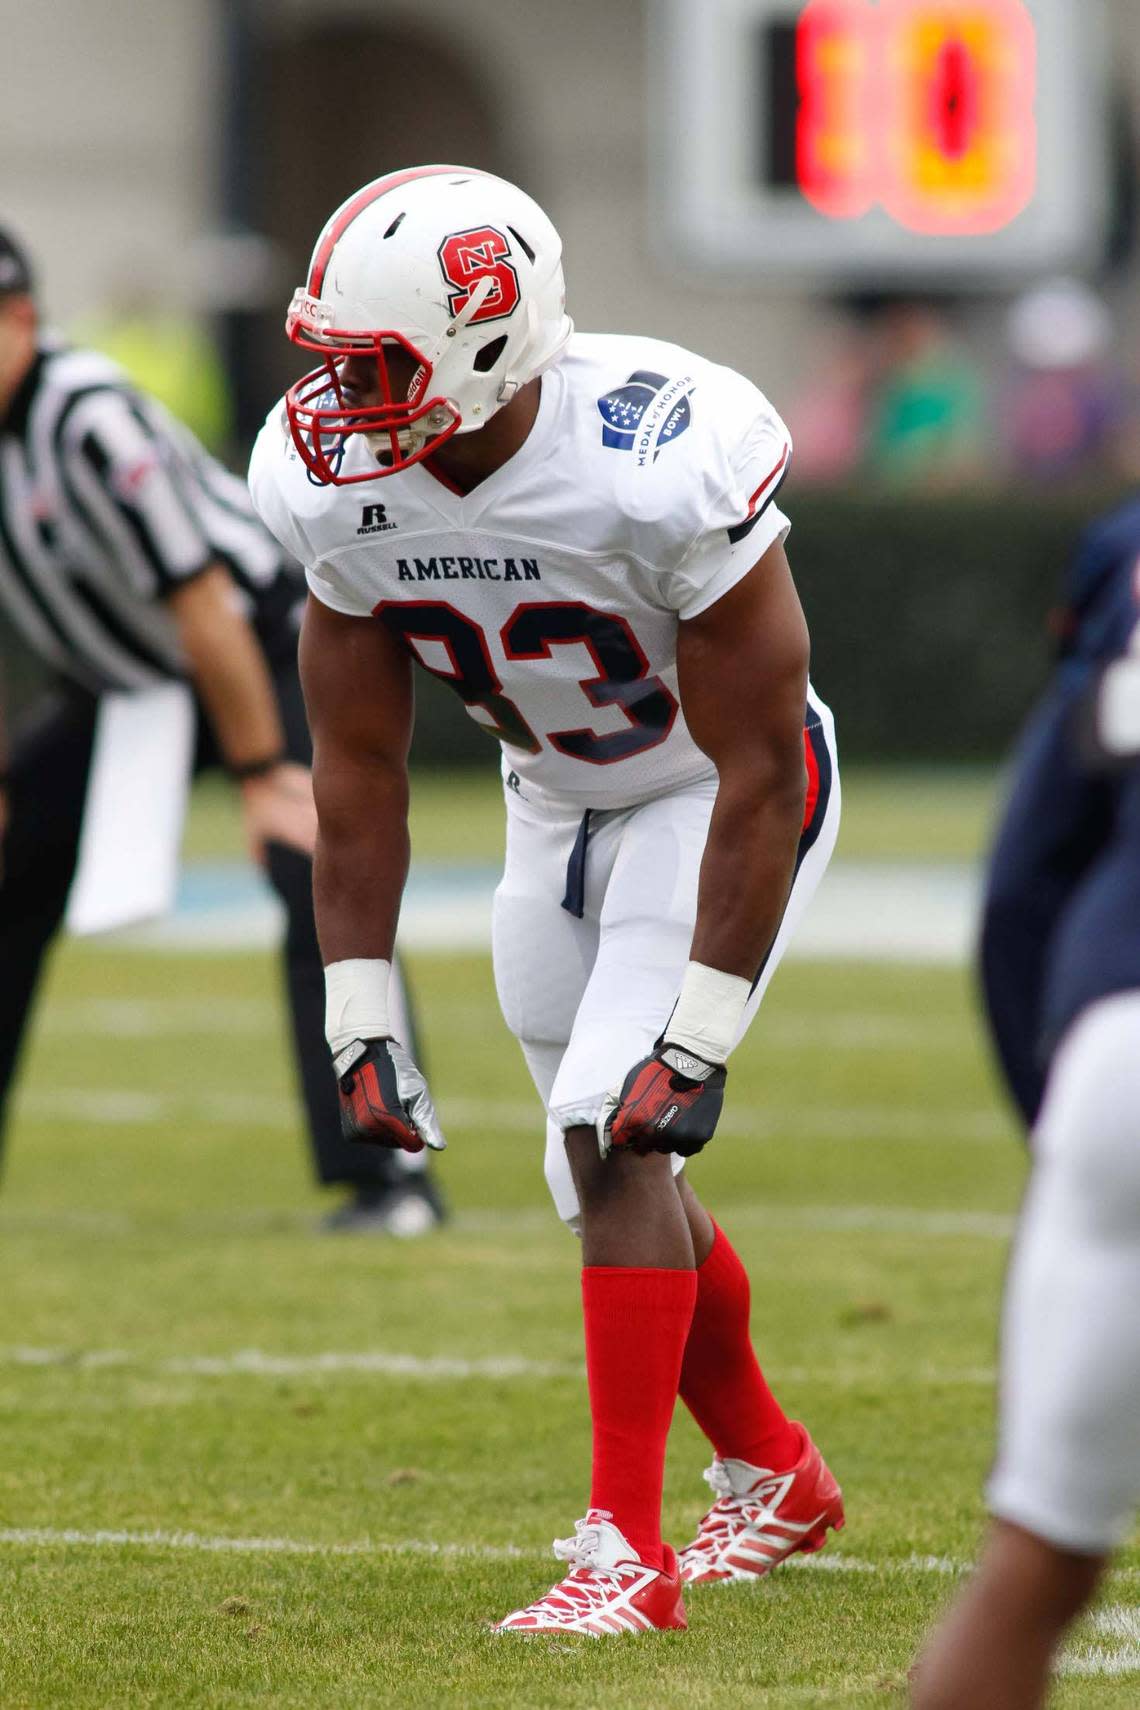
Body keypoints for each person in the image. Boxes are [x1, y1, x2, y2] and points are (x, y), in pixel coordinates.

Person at [249, 163, 845, 1634]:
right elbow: (360, 770)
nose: (337, 404)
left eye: (374, 365)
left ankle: (624, 1553)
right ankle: (778, 1470)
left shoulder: (657, 444)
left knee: (616, 1120)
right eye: (329, 363)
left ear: (486, 338)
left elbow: (766, 765)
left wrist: (698, 1032)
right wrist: (357, 1015)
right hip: (549, 806)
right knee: (601, 1164)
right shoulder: (334, 478)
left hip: (712, 795)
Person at [0, 227, 442, 1237]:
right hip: (122, 684)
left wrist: (260, 770)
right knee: (9, 880)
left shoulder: (88, 418)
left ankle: (392, 1179)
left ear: (21, 320)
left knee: (321, 883)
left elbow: (205, 604)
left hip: (260, 648)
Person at [912, 499, 1140, 1706]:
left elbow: (1021, 889)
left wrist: (1063, 1126)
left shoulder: (1125, 549)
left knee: (1039, 1557)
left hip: (1124, 1047)